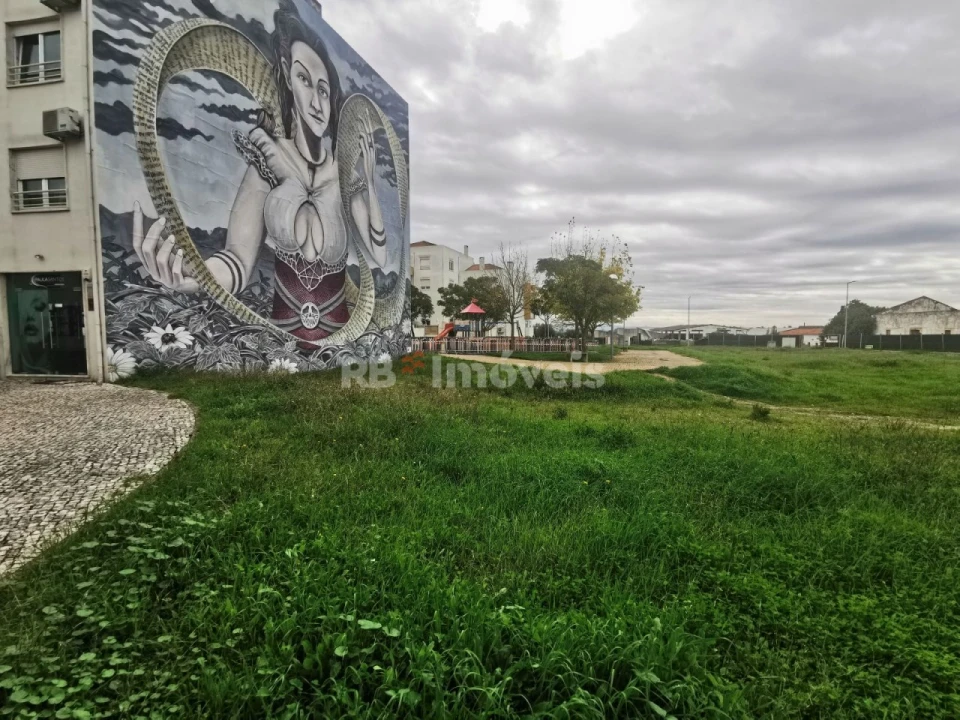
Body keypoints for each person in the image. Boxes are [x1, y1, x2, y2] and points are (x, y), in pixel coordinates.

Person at [133, 0, 388, 343]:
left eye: (324, 90)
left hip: (341, 346)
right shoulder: (266, 160)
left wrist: (369, 185)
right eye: (304, 79)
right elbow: (237, 261)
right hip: (282, 347)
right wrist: (193, 277)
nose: (316, 101)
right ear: (286, 76)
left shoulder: (346, 177)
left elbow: (380, 255)